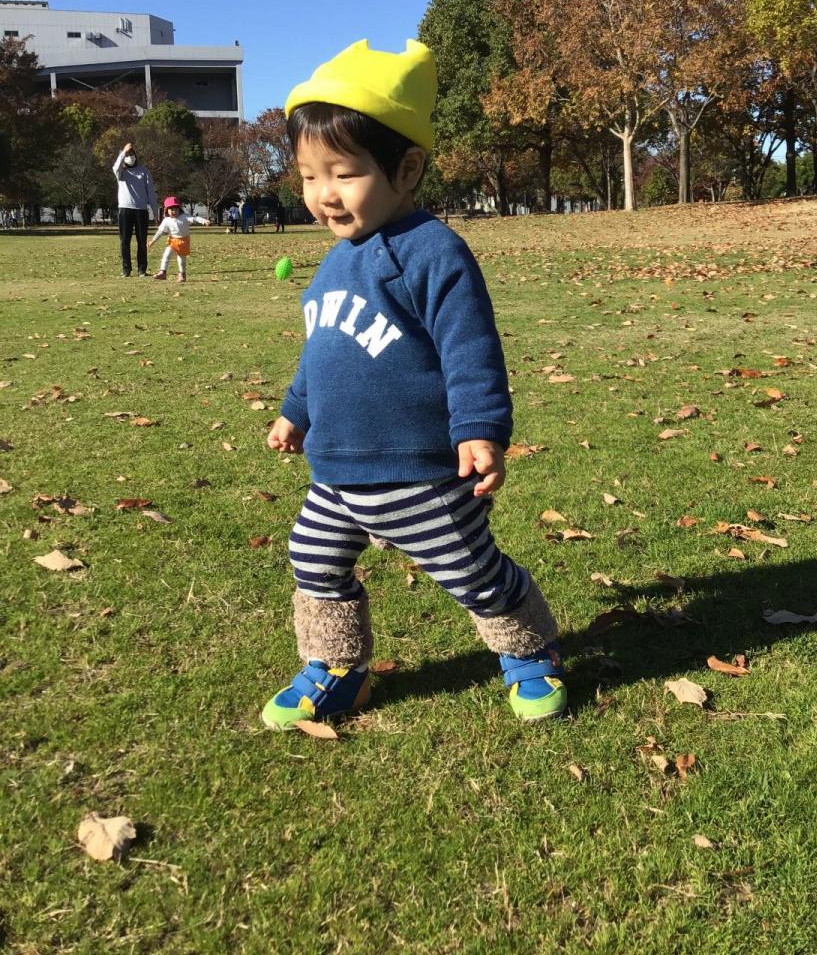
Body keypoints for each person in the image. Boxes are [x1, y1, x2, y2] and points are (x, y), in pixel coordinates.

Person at [261, 39, 566, 731]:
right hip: (336, 469)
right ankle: (337, 668)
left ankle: (529, 648)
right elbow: (322, 349)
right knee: (313, 559)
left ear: (406, 169)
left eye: (344, 173)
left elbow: (469, 348)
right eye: (309, 177)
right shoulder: (334, 264)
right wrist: (294, 411)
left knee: (471, 573)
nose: (324, 195)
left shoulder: (433, 252)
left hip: (418, 470)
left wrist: (480, 429)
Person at [113, 143, 158, 276]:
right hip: (124, 210)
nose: (130, 157)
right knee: (124, 241)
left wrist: (155, 211)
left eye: (132, 155)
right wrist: (123, 152)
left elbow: (151, 192)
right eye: (128, 155)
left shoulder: (144, 171)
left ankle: (142, 269)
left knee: (142, 241)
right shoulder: (121, 172)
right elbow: (115, 167)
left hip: (141, 210)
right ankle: (126, 270)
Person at [148, 196, 210, 282]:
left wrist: (204, 221)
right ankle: (162, 272)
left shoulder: (184, 217)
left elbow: (195, 218)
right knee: (166, 255)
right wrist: (153, 241)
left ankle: (182, 274)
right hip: (172, 241)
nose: (174, 211)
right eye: (171, 209)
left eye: (176, 209)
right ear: (166, 210)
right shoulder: (166, 220)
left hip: (183, 241)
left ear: (179, 209)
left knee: (181, 260)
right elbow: (160, 232)